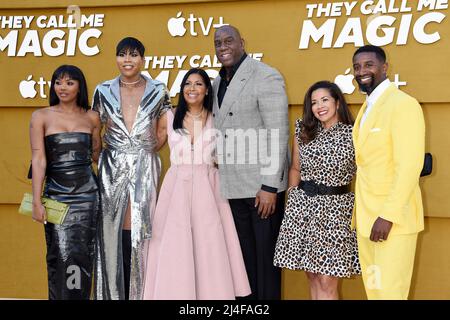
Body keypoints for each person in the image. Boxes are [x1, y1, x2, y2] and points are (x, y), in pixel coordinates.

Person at [142, 68, 251, 300]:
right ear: (182, 89)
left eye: (199, 84)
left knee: (209, 245)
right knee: (174, 245)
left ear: (206, 90)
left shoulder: (217, 118)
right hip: (176, 187)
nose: (192, 88)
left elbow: (230, 152)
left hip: (209, 187)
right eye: (188, 84)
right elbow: (151, 145)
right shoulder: (169, 116)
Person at [212, 25, 289, 300]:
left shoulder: (265, 75)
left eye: (228, 40)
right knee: (243, 263)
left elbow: (277, 132)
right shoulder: (217, 82)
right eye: (218, 42)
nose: (223, 47)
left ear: (242, 42)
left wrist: (269, 186)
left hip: (261, 190)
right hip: (232, 188)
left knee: (266, 264)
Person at [92, 37, 172, 300]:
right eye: (122, 54)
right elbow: (95, 127)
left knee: (142, 226)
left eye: (134, 54)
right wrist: (105, 155)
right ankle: (112, 295)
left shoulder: (158, 90)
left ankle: (144, 294)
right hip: (111, 166)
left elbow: (163, 129)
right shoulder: (102, 90)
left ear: (143, 59)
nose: (128, 59)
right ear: (116, 58)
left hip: (144, 165)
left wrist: (145, 148)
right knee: (108, 229)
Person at [273, 81, 361, 300]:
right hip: (302, 207)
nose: (319, 106)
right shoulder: (304, 129)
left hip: (336, 211)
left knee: (327, 279)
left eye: (324, 100)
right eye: (313, 102)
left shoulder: (354, 133)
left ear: (337, 102)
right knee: (312, 275)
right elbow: (295, 168)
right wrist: (293, 200)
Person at [352, 45, 425, 299]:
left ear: (384, 68)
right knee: (374, 292)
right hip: (366, 220)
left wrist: (388, 215)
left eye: (369, 65)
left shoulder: (403, 104)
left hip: (392, 221)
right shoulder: (367, 107)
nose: (362, 71)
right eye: (357, 67)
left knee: (391, 293)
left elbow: (409, 166)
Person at [29, 65, 100, 299]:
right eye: (58, 82)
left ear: (80, 85)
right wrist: (37, 201)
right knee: (60, 255)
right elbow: (38, 160)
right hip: (56, 195)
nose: (63, 87)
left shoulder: (92, 117)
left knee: (82, 256)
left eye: (70, 82)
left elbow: (97, 155)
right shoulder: (40, 116)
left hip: (88, 197)